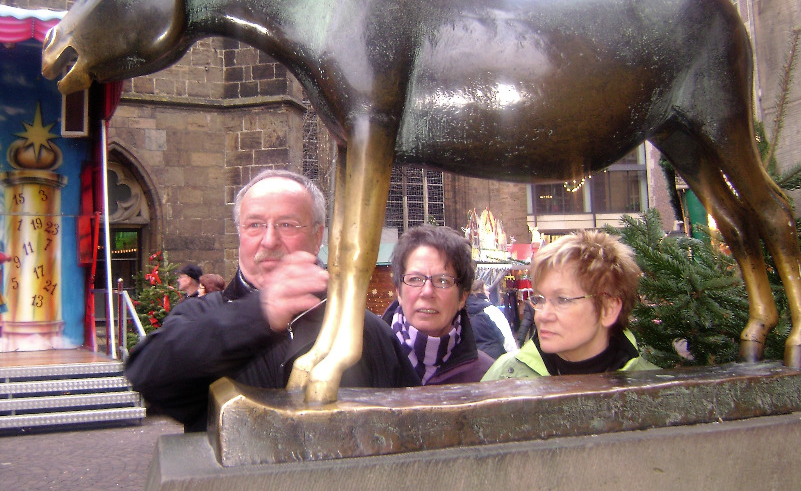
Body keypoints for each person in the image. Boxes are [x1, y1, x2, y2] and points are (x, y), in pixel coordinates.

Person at [126, 169, 420, 431]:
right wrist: (259, 315)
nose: (269, 240)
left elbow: (408, 429)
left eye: (288, 224)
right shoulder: (199, 315)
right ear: (240, 233)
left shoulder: (362, 330)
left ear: (318, 237)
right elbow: (149, 376)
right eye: (254, 225)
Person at [482, 230, 658, 381]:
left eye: (562, 300)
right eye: (540, 299)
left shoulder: (654, 389)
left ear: (608, 309)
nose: (542, 315)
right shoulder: (504, 375)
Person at [381, 225, 494, 384]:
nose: (427, 292)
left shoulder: (486, 376)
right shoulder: (365, 362)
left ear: (462, 297)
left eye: (443, 281)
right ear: (399, 292)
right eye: (415, 279)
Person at [465, 279, 517, 360]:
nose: (488, 292)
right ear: (480, 292)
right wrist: (514, 358)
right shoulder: (491, 310)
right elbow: (507, 340)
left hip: (471, 362)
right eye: (486, 290)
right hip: (493, 361)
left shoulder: (461, 313)